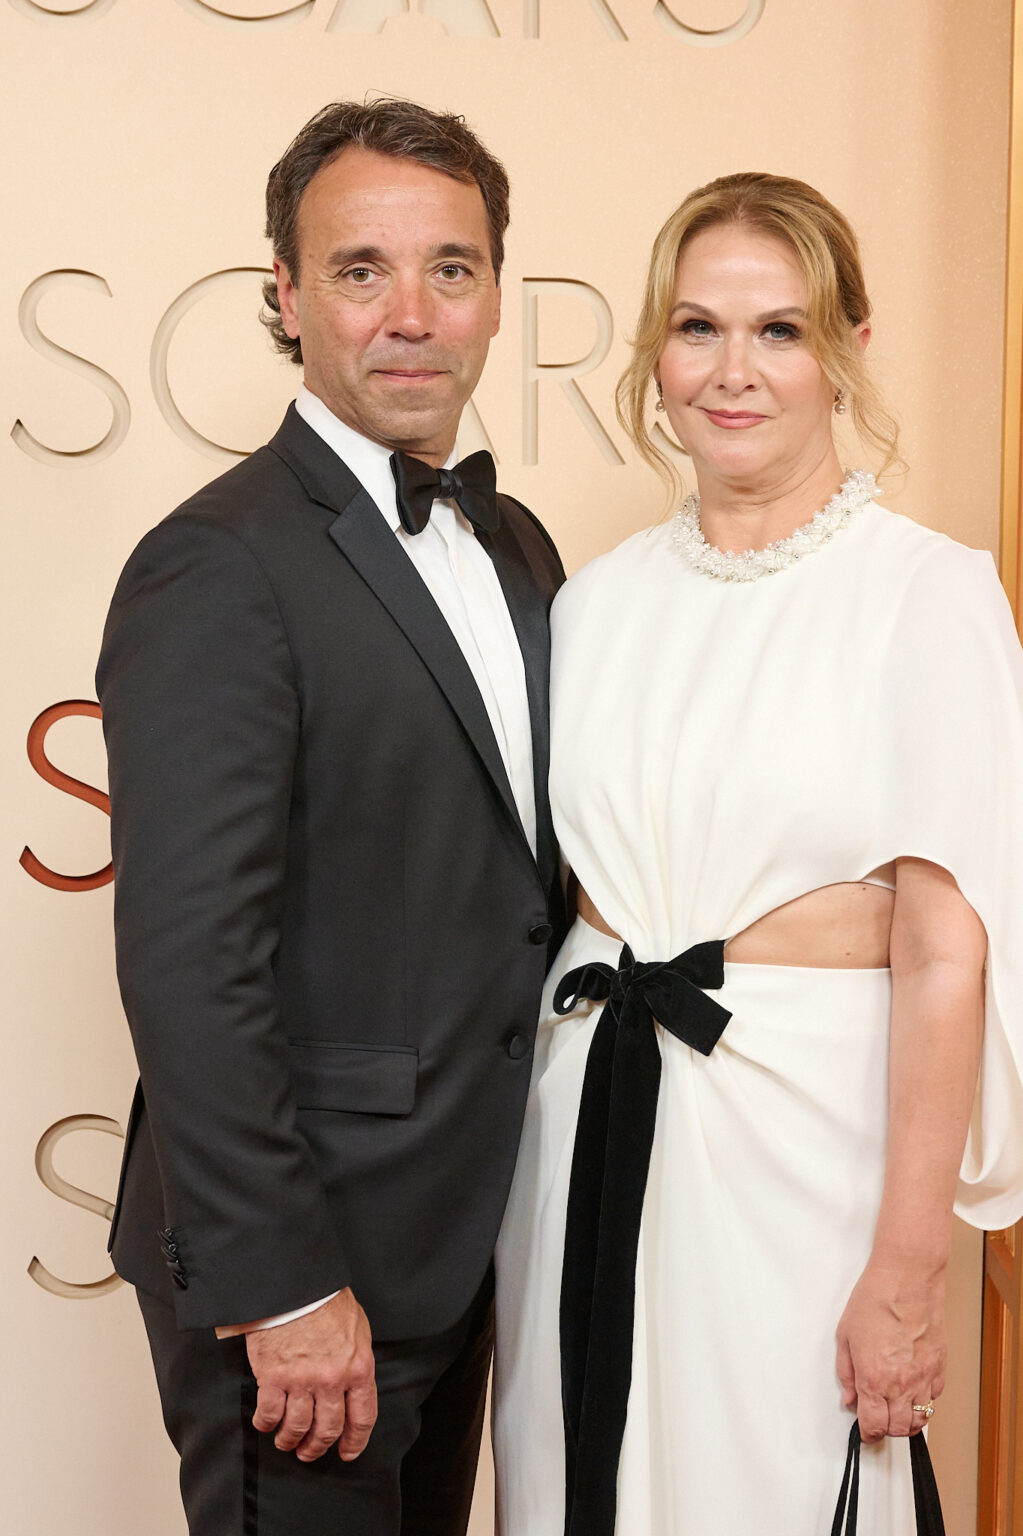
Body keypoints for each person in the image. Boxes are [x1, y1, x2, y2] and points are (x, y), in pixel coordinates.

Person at [493, 172, 1023, 1534]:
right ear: (654, 355)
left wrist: (909, 1265)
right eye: (698, 329)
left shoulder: (928, 592)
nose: (734, 372)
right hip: (590, 1125)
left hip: (808, 1159)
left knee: (778, 1485)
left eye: (779, 331)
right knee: (581, 1480)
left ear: (848, 345)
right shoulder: (596, 603)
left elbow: (948, 947)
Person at [97, 98, 564, 1536]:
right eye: (361, 271)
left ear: (495, 293)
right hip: (310, 1280)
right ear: (286, 300)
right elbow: (190, 961)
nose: (411, 315)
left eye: (452, 268)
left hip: (468, 1245)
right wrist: (285, 1285)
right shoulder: (216, 569)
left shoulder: (519, 544)